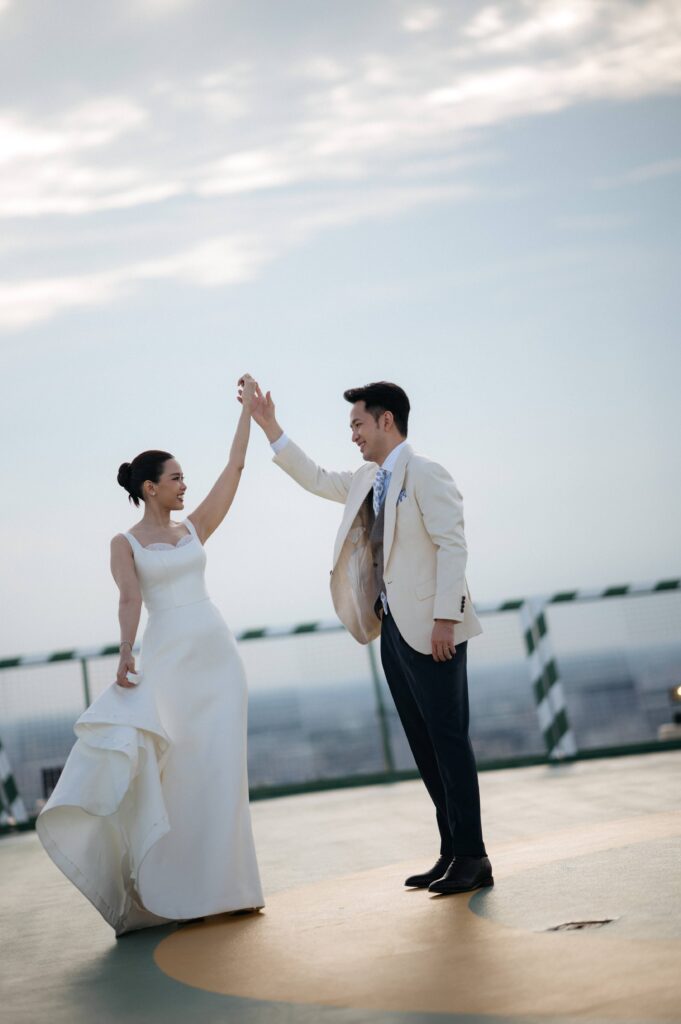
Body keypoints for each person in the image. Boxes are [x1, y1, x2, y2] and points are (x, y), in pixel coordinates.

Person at [37, 375, 264, 936]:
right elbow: (129, 599)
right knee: (180, 773)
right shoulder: (126, 543)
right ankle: (179, 892)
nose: (185, 485)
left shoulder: (194, 529)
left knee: (224, 771)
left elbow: (235, 468)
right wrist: (124, 652)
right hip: (169, 664)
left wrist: (249, 414)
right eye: (176, 478)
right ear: (149, 487)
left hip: (218, 660)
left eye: (185, 477)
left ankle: (234, 889)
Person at [249, 379, 492, 895]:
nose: (353, 435)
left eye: (358, 424)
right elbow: (315, 478)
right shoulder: (367, 479)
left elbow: (453, 546)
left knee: (449, 740)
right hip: (393, 630)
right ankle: (452, 850)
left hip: (434, 628)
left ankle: (474, 857)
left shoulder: (426, 472)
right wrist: (270, 426)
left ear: (387, 420)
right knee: (423, 744)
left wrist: (446, 619)